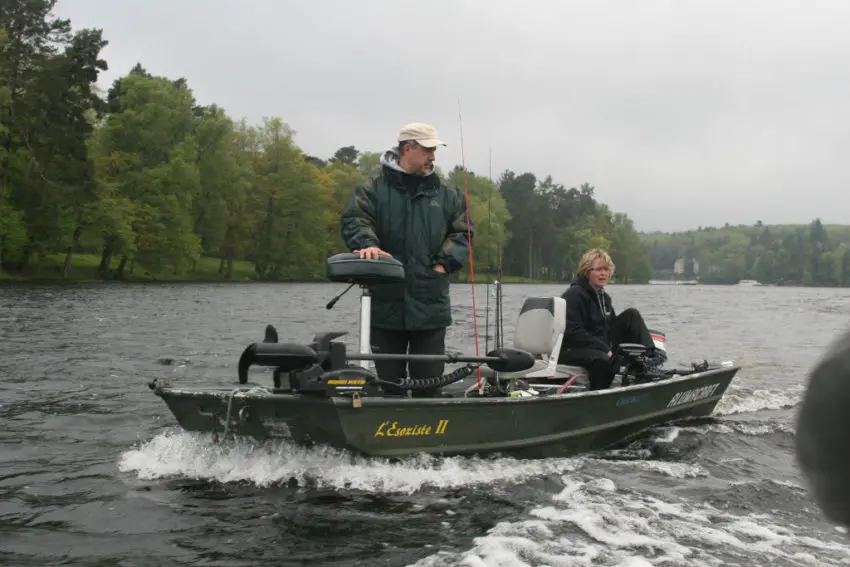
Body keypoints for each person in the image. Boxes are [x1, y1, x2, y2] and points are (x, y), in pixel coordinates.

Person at [339, 122, 474, 392]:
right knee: (389, 386)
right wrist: (368, 244)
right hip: (385, 305)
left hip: (430, 305)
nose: (433, 156)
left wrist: (441, 265)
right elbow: (356, 219)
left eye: (434, 150)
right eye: (427, 150)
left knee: (428, 383)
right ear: (407, 148)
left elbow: (463, 233)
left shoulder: (448, 193)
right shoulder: (372, 188)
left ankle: (429, 431)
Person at [557, 248, 662, 390]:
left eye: (606, 270)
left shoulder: (604, 298)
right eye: (599, 269)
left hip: (599, 345)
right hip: (573, 349)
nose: (603, 274)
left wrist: (619, 350)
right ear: (587, 271)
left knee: (632, 315)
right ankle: (599, 394)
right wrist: (606, 349)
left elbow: (610, 327)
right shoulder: (574, 295)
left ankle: (650, 362)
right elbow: (573, 333)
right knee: (603, 360)